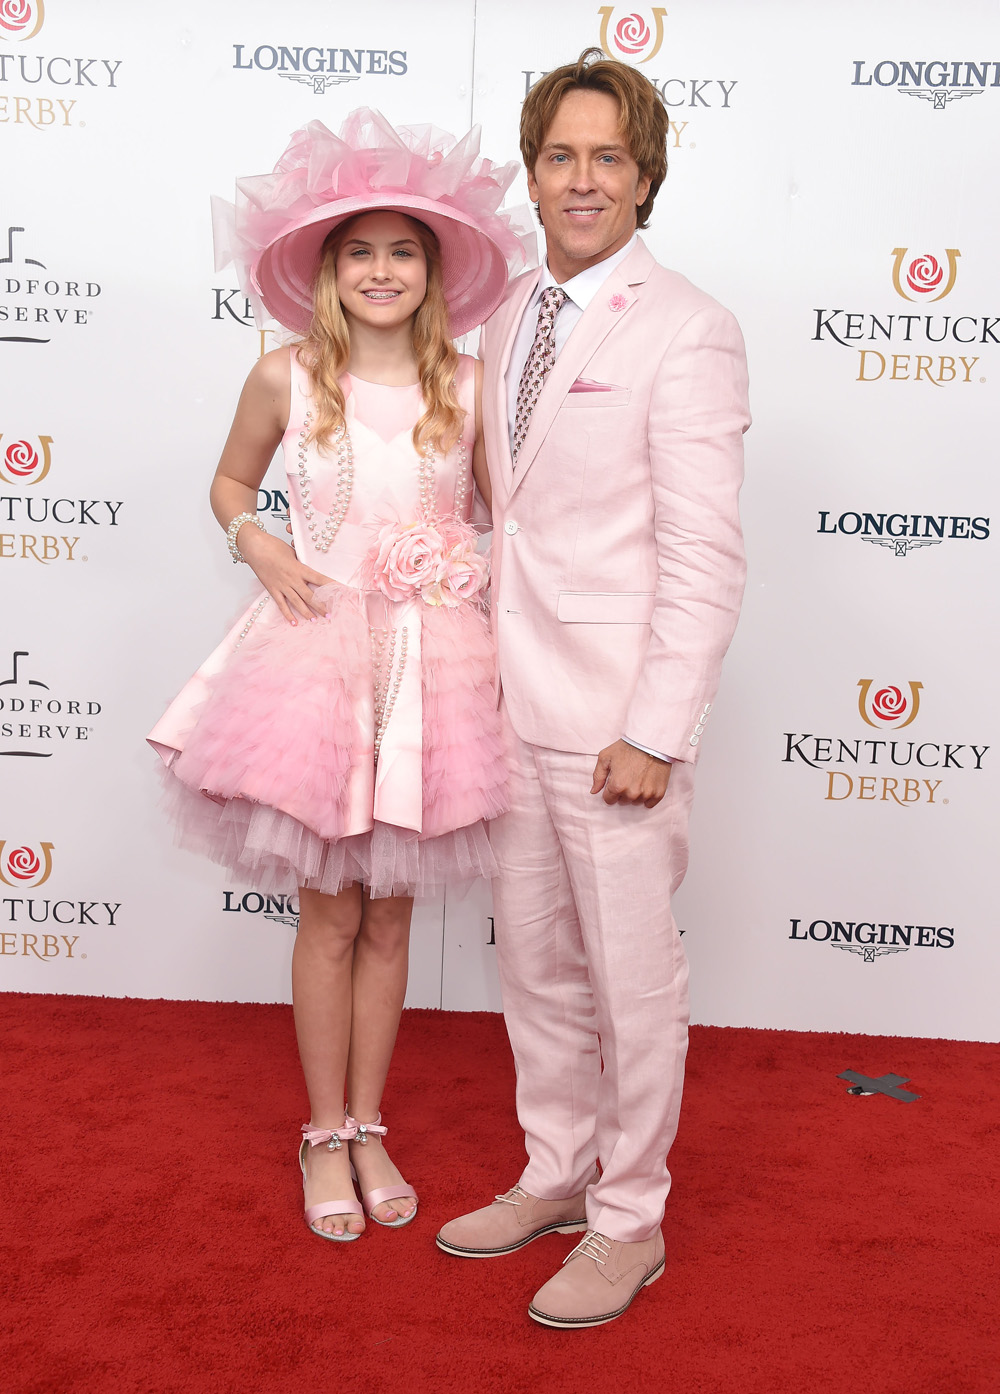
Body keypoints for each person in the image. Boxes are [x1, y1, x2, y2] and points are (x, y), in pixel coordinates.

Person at [148, 110, 529, 1243]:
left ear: (435, 269)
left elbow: (505, 522)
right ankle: (323, 1128)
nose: (379, 270)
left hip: (432, 670)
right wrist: (257, 541)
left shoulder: (467, 383)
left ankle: (372, 1120)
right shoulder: (285, 375)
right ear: (323, 268)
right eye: (357, 251)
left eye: (401, 250)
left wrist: (463, 565)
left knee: (391, 917)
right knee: (326, 911)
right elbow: (229, 480)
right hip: (313, 659)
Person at [436, 51, 750, 1327]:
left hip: (616, 720)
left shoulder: (689, 325)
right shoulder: (508, 311)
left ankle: (630, 1218)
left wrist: (655, 729)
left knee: (632, 981)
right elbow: (490, 509)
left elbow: (704, 552)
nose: (580, 179)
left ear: (645, 175)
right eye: (559, 155)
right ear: (531, 171)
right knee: (543, 973)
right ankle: (556, 1171)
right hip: (506, 703)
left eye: (605, 157)